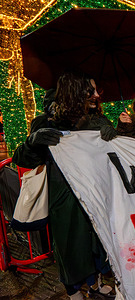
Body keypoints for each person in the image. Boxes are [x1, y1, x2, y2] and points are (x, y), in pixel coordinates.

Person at [12, 71, 116, 300]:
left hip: (98, 194)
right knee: (71, 247)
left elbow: (112, 158)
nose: (97, 95)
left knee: (99, 244)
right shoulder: (45, 122)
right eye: (91, 90)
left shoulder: (98, 120)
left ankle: (95, 285)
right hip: (65, 199)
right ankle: (74, 292)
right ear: (74, 92)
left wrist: (114, 136)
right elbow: (22, 159)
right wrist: (33, 142)